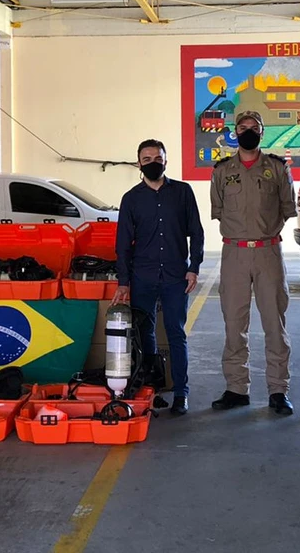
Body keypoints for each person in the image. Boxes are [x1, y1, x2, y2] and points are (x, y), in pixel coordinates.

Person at [208, 111, 297, 416]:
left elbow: (287, 207)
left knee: (274, 323)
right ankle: (236, 388)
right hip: (234, 253)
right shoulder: (222, 171)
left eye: (254, 128)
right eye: (242, 127)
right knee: (234, 324)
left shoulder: (277, 168)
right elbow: (219, 210)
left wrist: (263, 230)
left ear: (262, 132)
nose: (248, 132)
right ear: (235, 132)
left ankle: (278, 390)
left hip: (268, 252)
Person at [113, 139, 205, 416]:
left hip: (176, 276)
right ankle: (150, 388)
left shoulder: (182, 192)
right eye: (147, 159)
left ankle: (181, 393)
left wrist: (194, 267)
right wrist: (123, 281)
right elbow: (123, 243)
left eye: (158, 158)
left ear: (166, 161)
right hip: (143, 276)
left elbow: (196, 232)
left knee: (176, 333)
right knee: (145, 334)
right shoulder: (131, 198)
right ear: (138, 163)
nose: (153, 163)